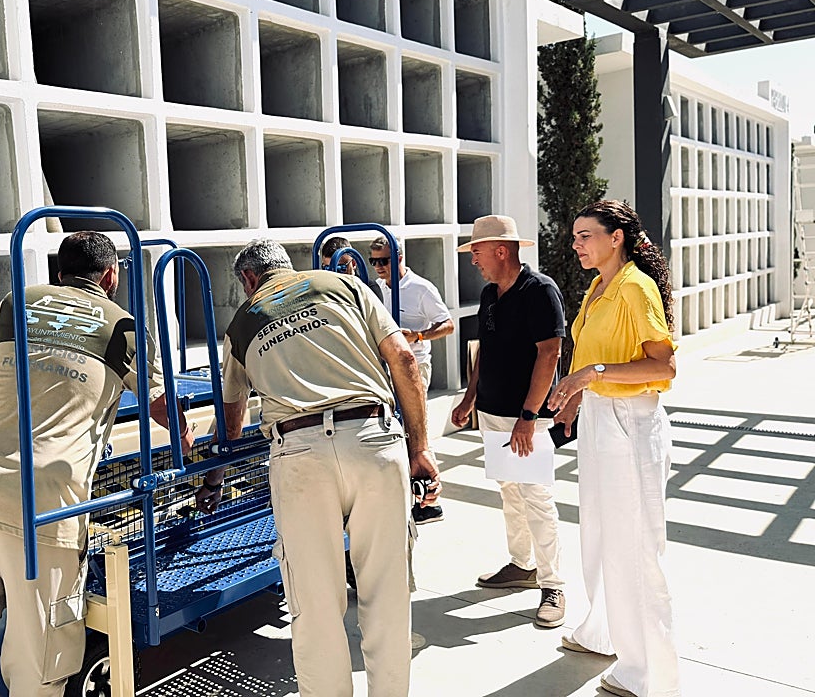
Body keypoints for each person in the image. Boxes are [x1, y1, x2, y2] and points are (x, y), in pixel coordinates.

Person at [0, 231, 191, 697]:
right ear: (110, 275)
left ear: (60, 272)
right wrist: (189, 444)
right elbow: (161, 403)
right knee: (41, 655)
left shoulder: (16, 302)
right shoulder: (121, 324)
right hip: (44, 504)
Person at [197, 238, 439, 697]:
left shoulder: (243, 324)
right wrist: (420, 447)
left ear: (249, 279)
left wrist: (213, 481)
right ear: (287, 267)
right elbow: (405, 358)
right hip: (374, 437)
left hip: (300, 452)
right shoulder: (345, 286)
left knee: (314, 602)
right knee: (386, 593)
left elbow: (230, 425)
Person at [546, 200, 680, 697]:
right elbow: (595, 354)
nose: (576, 244)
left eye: (586, 235)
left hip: (630, 423)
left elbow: (662, 367)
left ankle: (650, 676)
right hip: (602, 420)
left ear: (616, 236)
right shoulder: (599, 287)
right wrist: (576, 399)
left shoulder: (635, 288)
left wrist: (589, 377)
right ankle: (603, 631)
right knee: (601, 537)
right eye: (574, 235)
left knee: (636, 550)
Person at [450, 215, 567, 629]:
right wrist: (469, 398)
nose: (473, 260)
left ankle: (553, 584)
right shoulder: (489, 294)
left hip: (526, 419)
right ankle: (522, 565)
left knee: (536, 496)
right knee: (510, 492)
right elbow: (485, 349)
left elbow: (549, 354)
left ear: (501, 250)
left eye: (476, 252)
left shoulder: (541, 291)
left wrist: (528, 416)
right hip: (492, 414)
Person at [369, 235, 454, 524]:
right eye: (374, 262)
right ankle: (408, 497)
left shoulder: (420, 288)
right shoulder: (377, 289)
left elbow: (448, 325)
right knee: (396, 431)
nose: (379, 267)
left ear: (399, 258)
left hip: (415, 367)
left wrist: (418, 336)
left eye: (384, 261)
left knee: (416, 432)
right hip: (387, 369)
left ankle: (430, 503)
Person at [320, 235, 384, 302]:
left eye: (341, 268)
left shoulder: (369, 288)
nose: (335, 275)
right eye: (327, 269)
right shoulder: (323, 290)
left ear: (353, 264)